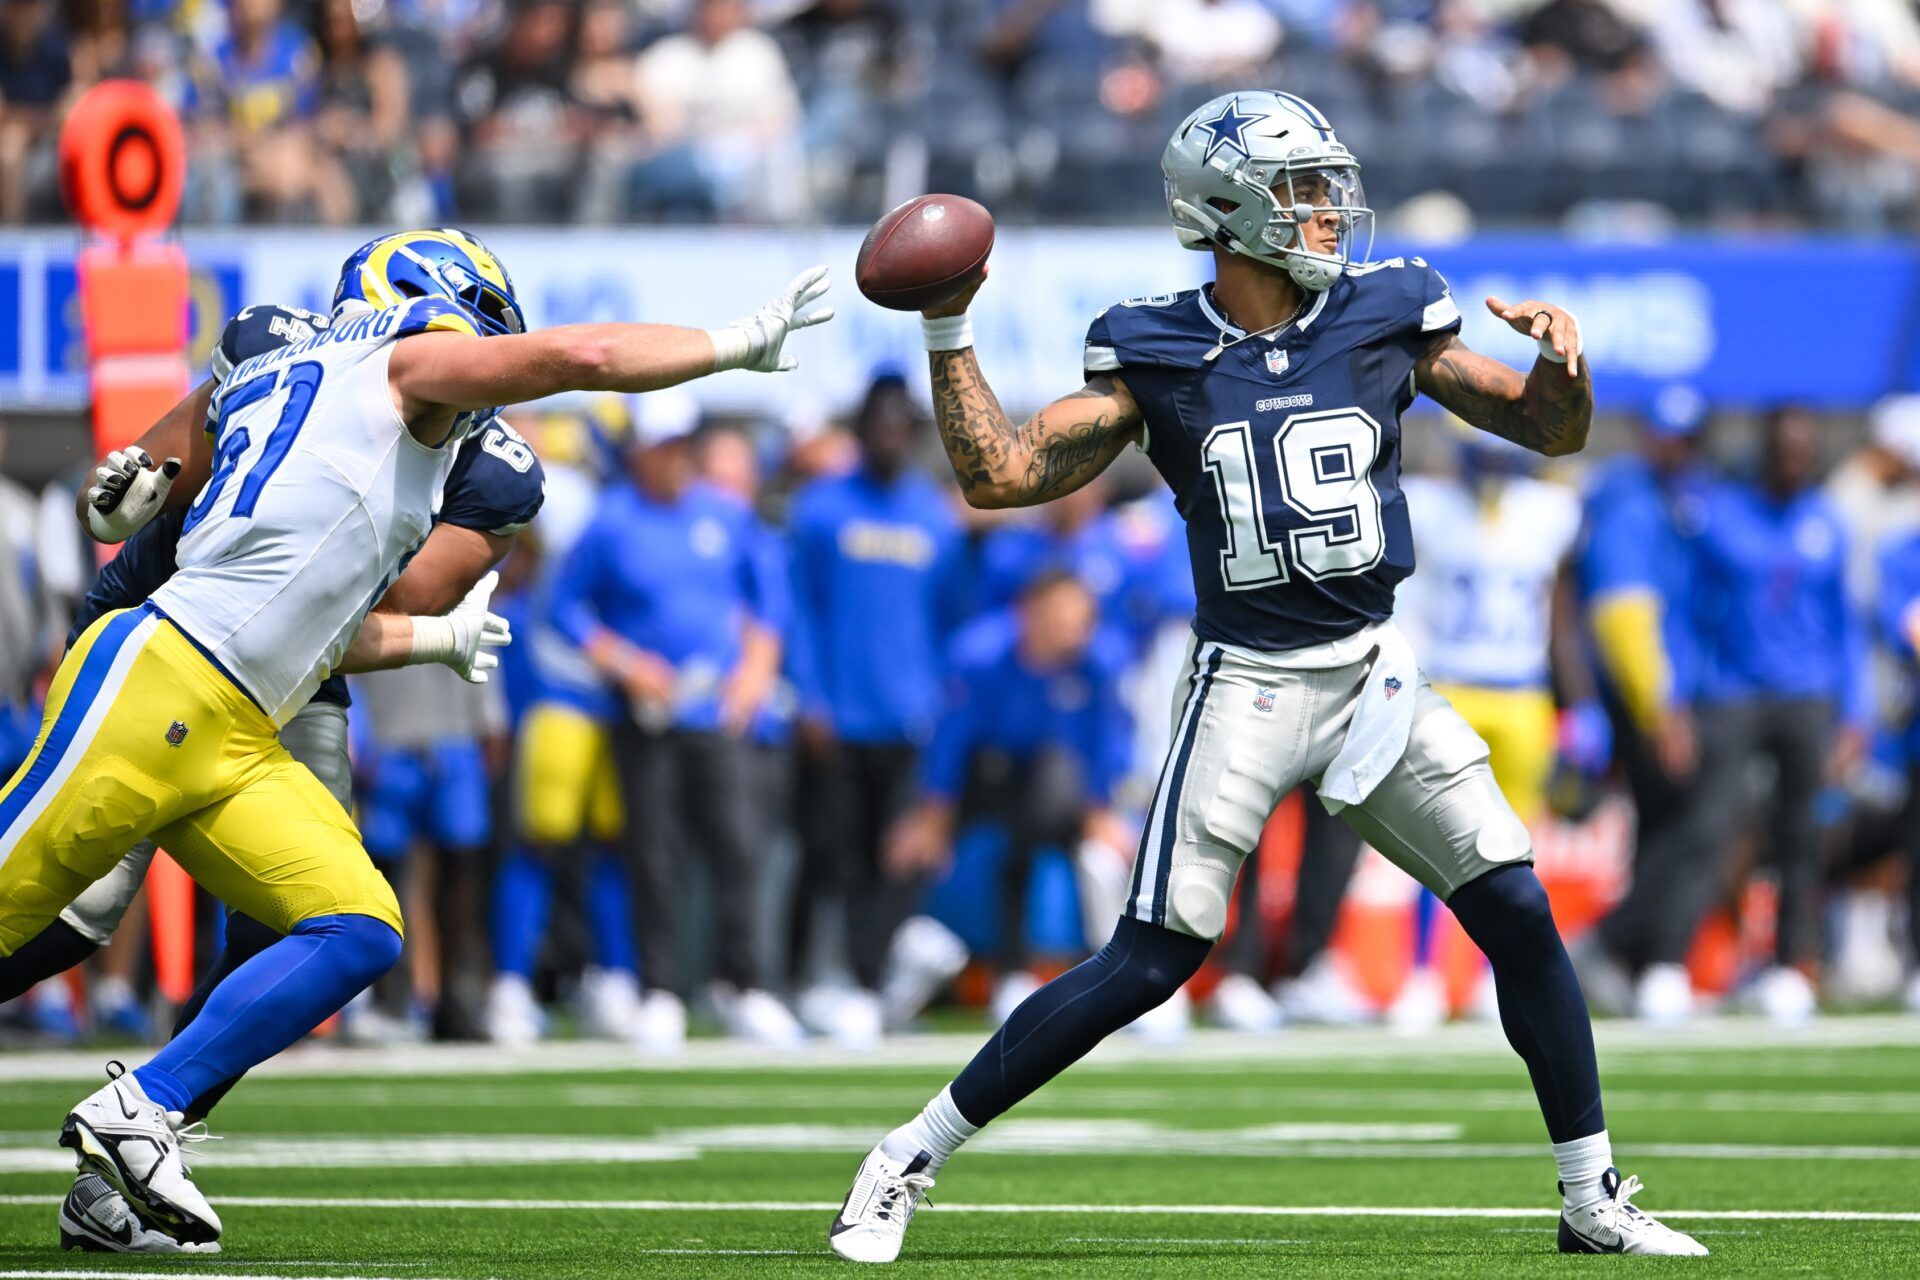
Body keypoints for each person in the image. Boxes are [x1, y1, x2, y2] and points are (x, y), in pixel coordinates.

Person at [829, 90, 1702, 1262]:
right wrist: (948, 328)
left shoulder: (1386, 310)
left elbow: (1549, 430)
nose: (1328, 210)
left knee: (1517, 905)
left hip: (1373, 669)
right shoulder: (1156, 346)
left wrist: (1563, 365)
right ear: (1228, 208)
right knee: (1152, 957)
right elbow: (1003, 476)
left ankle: (1591, 1196)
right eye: (1300, 189)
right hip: (1247, 679)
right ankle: (907, 1153)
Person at [0, 227, 832, 1248]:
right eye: (476, 333)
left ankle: (147, 1110)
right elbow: (584, 356)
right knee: (47, 911)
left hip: (253, 707)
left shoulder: (304, 371)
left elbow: (278, 574)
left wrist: (433, 633)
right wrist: (737, 342)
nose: (484, 365)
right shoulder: (397, 363)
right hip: (162, 663)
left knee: (355, 924)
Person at [548, 392, 802, 1048]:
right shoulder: (611, 522)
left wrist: (755, 673)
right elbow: (566, 609)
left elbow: (769, 602)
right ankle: (660, 990)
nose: (675, 457)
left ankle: (742, 985)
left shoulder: (725, 514)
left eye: (683, 444)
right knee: (654, 858)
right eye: (663, 445)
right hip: (647, 717)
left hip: (718, 713)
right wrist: (626, 664)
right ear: (638, 450)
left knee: (738, 850)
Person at [786, 373, 965, 1046]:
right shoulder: (821, 508)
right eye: (879, 424)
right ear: (860, 429)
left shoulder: (935, 516)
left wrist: (939, 704)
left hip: (909, 719)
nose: (890, 436)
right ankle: (798, 983)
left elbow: (952, 622)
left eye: (900, 425)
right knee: (827, 857)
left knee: (896, 861)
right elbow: (799, 610)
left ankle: (867, 984)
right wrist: (810, 696)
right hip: (836, 719)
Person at [1393, 433, 1585, 1028]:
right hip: (1452, 685)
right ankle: (1423, 974)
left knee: (1509, 850)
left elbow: (1562, 604)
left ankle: (1486, 976)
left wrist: (1580, 702)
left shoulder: (1550, 511)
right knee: (1433, 840)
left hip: (1523, 691)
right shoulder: (1431, 504)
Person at [1684, 405, 1868, 1023]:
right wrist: (1687, 692)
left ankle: (1793, 964)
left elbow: (1846, 624)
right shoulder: (1722, 516)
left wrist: (1856, 712)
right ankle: (1677, 959)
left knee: (1801, 838)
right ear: (1766, 454)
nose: (1796, 463)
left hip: (1808, 695)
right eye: (1786, 452)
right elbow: (1693, 611)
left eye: (1804, 453)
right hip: (1734, 693)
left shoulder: (1828, 521)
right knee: (1711, 827)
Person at [886, 570, 1134, 1024]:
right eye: (1060, 616)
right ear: (1027, 612)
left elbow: (1106, 743)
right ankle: (882, 981)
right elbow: (950, 740)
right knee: (909, 849)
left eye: (1081, 618)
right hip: (978, 775)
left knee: (1100, 852)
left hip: (1053, 788)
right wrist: (933, 814)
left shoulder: (1099, 664)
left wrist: (1101, 810)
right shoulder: (979, 655)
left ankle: (1112, 980)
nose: (1071, 629)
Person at [1567, 386, 1713, 1023]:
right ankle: (1606, 943)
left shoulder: (1666, 497)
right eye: (1669, 437)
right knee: (1693, 829)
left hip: (1664, 694)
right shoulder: (1632, 501)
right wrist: (1660, 709)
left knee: (1663, 830)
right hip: (1648, 699)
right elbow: (1624, 616)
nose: (1678, 450)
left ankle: (1636, 961)